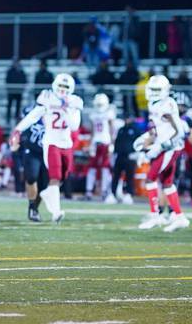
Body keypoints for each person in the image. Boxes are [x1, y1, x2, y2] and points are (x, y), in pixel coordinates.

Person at [12, 73, 84, 223]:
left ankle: (47, 195)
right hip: (50, 142)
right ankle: (54, 212)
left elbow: (74, 126)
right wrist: (18, 129)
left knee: (61, 178)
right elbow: (33, 115)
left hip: (66, 143)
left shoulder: (75, 101)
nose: (63, 89)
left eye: (66, 87)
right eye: (60, 86)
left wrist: (66, 108)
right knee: (53, 177)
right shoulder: (47, 97)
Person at [134, 76, 189, 232]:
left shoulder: (167, 105)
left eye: (157, 90)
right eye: (152, 90)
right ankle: (179, 217)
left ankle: (155, 215)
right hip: (166, 146)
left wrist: (161, 146)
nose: (154, 93)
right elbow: (157, 129)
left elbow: (179, 131)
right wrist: (146, 139)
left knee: (150, 178)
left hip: (171, 147)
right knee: (167, 183)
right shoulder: (154, 104)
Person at [13, 105, 47, 221]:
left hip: (48, 153)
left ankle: (34, 207)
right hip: (32, 151)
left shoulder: (53, 114)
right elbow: (21, 127)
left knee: (45, 186)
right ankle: (32, 206)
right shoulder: (32, 113)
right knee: (32, 177)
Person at [85, 94, 116, 202]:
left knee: (105, 168)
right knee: (93, 167)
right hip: (97, 142)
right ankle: (89, 190)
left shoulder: (109, 113)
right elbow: (93, 131)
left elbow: (112, 129)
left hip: (105, 142)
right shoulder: (94, 114)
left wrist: (112, 143)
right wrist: (90, 144)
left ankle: (103, 190)